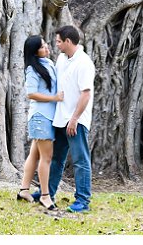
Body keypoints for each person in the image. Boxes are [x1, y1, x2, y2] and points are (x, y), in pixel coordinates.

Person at [45, 23, 96, 216]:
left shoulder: (84, 63)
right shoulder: (62, 59)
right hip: (60, 118)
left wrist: (74, 119)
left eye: (59, 41)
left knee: (80, 160)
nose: (56, 44)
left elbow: (85, 94)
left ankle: (83, 201)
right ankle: (47, 193)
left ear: (68, 41)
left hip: (76, 121)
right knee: (56, 159)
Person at [16, 34, 61, 214]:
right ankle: (44, 195)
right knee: (46, 158)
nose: (47, 47)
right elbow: (31, 94)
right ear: (35, 52)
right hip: (41, 117)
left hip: (48, 117)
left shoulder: (48, 63)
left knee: (34, 156)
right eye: (42, 47)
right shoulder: (32, 70)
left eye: (46, 44)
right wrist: (54, 98)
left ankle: (24, 190)